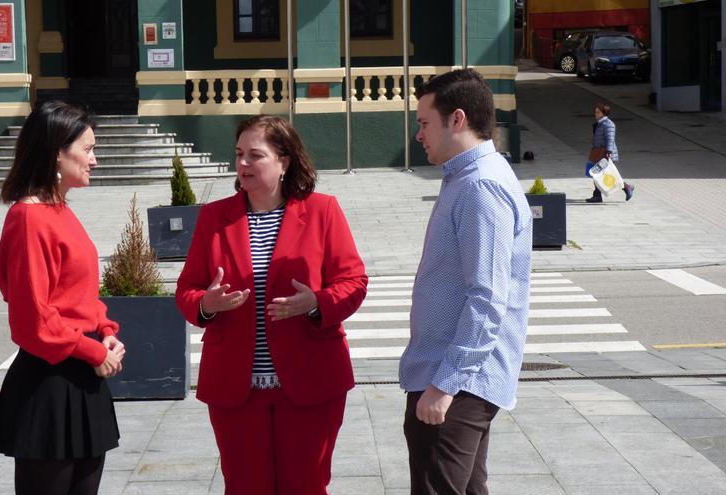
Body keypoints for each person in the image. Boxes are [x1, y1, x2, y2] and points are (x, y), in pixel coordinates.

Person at [176, 114, 368, 494]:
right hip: (237, 388)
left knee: (306, 485)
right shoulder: (215, 218)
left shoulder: (322, 211)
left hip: (310, 384)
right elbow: (187, 291)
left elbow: (354, 282)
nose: (243, 164)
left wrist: (315, 303)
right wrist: (208, 304)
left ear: (284, 161)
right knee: (245, 486)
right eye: (238, 154)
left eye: (255, 155)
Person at [399, 69, 533, 495]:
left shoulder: (481, 187)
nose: (418, 134)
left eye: (424, 123)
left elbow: (488, 299)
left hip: (455, 381)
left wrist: (444, 384)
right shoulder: (467, 177)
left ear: (457, 119)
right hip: (456, 378)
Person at [0, 101, 125, 495]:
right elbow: (33, 320)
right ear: (55, 153)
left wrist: (104, 329)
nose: (94, 160)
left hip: (81, 376)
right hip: (51, 382)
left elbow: (78, 293)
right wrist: (96, 352)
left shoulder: (60, 209)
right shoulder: (29, 219)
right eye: (88, 149)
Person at [586, 102, 635, 203]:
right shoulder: (599, 124)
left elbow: (610, 139)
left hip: (606, 154)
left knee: (610, 175)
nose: (596, 114)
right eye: (595, 112)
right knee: (597, 175)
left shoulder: (608, 124)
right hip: (598, 152)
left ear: (604, 113)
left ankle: (627, 187)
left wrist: (608, 152)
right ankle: (597, 195)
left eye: (598, 112)